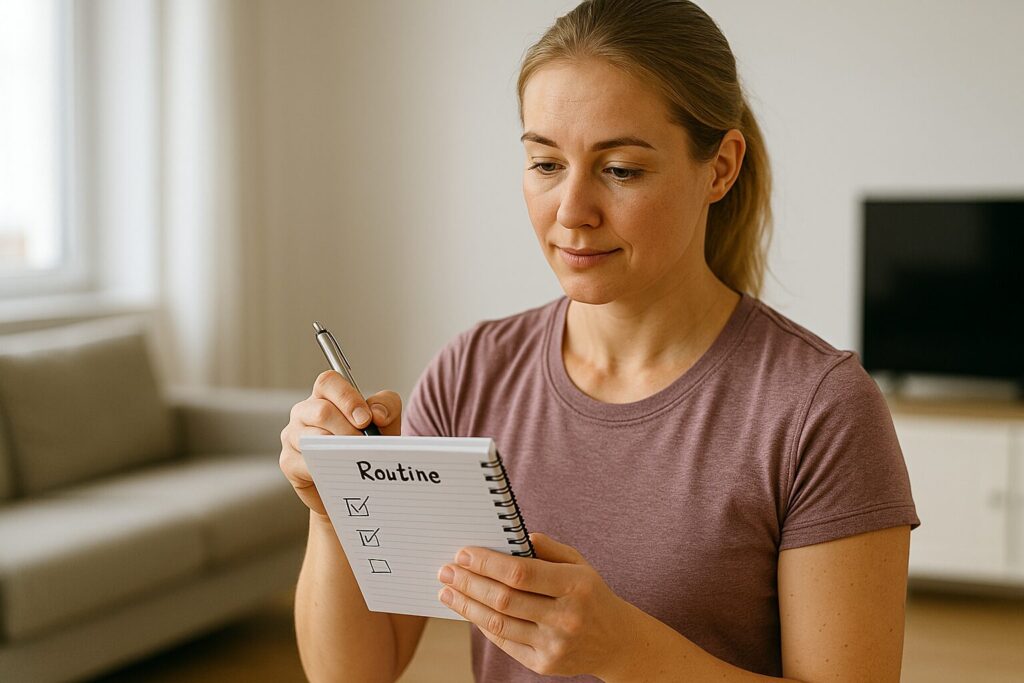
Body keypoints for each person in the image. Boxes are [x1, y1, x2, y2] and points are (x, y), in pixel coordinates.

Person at [278, 0, 921, 680]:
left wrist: (624, 649)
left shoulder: (819, 409)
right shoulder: (471, 373)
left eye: (620, 169)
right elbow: (351, 672)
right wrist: (332, 508)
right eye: (546, 164)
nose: (572, 212)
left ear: (722, 167)